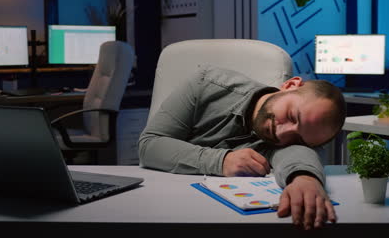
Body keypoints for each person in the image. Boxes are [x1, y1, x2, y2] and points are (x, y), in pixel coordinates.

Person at [139, 66, 346, 230]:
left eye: (298, 138)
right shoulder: (207, 83)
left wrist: (305, 178)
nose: (282, 133)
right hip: (161, 209)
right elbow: (149, 145)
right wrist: (222, 161)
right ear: (290, 84)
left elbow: (298, 155)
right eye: (292, 116)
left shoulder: (282, 142)